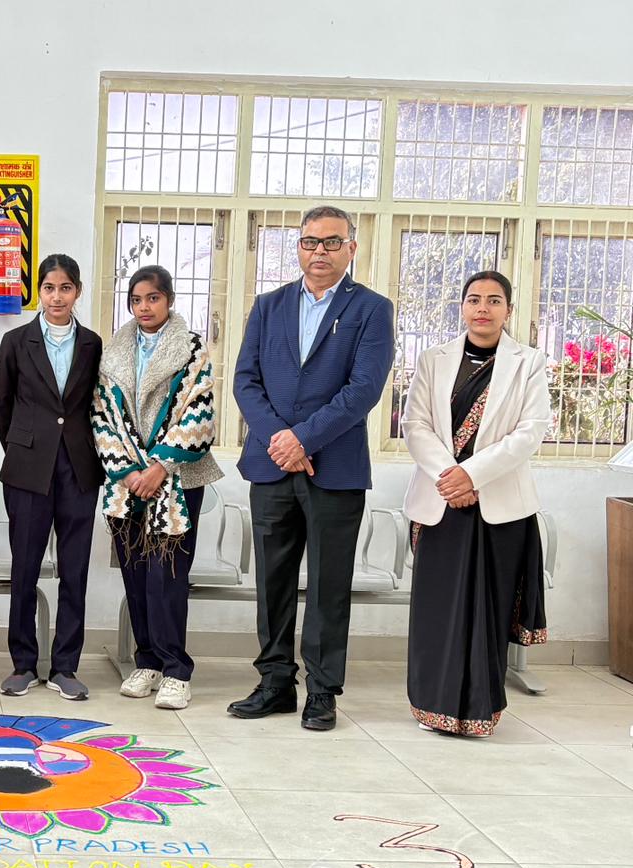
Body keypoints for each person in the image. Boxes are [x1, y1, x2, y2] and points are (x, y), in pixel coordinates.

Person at [228, 205, 394, 731]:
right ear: (298, 247)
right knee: (272, 582)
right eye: (309, 242)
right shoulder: (269, 305)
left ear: (352, 248)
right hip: (272, 466)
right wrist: (281, 440)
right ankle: (275, 682)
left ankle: (322, 691)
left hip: (334, 469)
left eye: (331, 242)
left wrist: (303, 438)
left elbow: (364, 389)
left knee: (327, 585)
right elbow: (245, 380)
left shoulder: (371, 309)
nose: (319, 251)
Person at [402, 270, 549, 737]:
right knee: (437, 611)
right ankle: (432, 707)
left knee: (489, 609)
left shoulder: (529, 363)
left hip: (499, 506)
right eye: (473, 299)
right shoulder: (433, 359)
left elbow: (531, 431)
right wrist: (451, 476)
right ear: (462, 307)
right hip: (441, 500)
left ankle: (479, 711)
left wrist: (474, 474)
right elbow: (415, 423)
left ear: (509, 309)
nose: (483, 308)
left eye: (494, 300)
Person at [91, 265, 222, 710]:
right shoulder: (113, 352)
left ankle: (176, 670)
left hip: (176, 479)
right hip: (127, 482)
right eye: (137, 300)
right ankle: (145, 660)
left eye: (153, 298)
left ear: (169, 300)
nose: (144, 307)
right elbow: (101, 417)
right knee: (135, 573)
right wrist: (128, 471)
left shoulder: (191, 348)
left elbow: (198, 415)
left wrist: (159, 466)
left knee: (167, 576)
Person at [0, 253, 103, 701]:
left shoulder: (93, 344)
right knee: (25, 567)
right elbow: (2, 405)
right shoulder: (16, 342)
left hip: (79, 468)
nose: (57, 297)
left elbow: (96, 405)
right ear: (38, 292)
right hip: (27, 469)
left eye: (66, 288)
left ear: (77, 291)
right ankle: (23, 663)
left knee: (75, 570)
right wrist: (25, 449)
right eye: (49, 288)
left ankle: (65, 666)